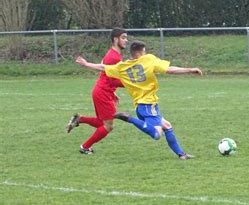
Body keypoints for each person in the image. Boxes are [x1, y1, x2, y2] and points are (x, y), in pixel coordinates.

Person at [75, 40, 203, 160]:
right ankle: (128, 118)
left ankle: (181, 154)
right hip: (148, 105)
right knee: (156, 134)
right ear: (141, 52)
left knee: (167, 126)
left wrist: (86, 64)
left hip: (140, 106)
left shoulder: (123, 66)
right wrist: (190, 69)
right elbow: (170, 70)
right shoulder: (148, 59)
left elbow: (103, 67)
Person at [65, 28, 128, 154]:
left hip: (103, 91)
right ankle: (85, 147)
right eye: (123, 37)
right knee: (108, 126)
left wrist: (113, 92)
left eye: (126, 37)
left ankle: (80, 119)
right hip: (103, 92)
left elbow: (106, 75)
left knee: (102, 122)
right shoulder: (113, 57)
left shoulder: (113, 54)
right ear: (116, 39)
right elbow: (111, 78)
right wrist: (130, 84)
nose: (126, 40)